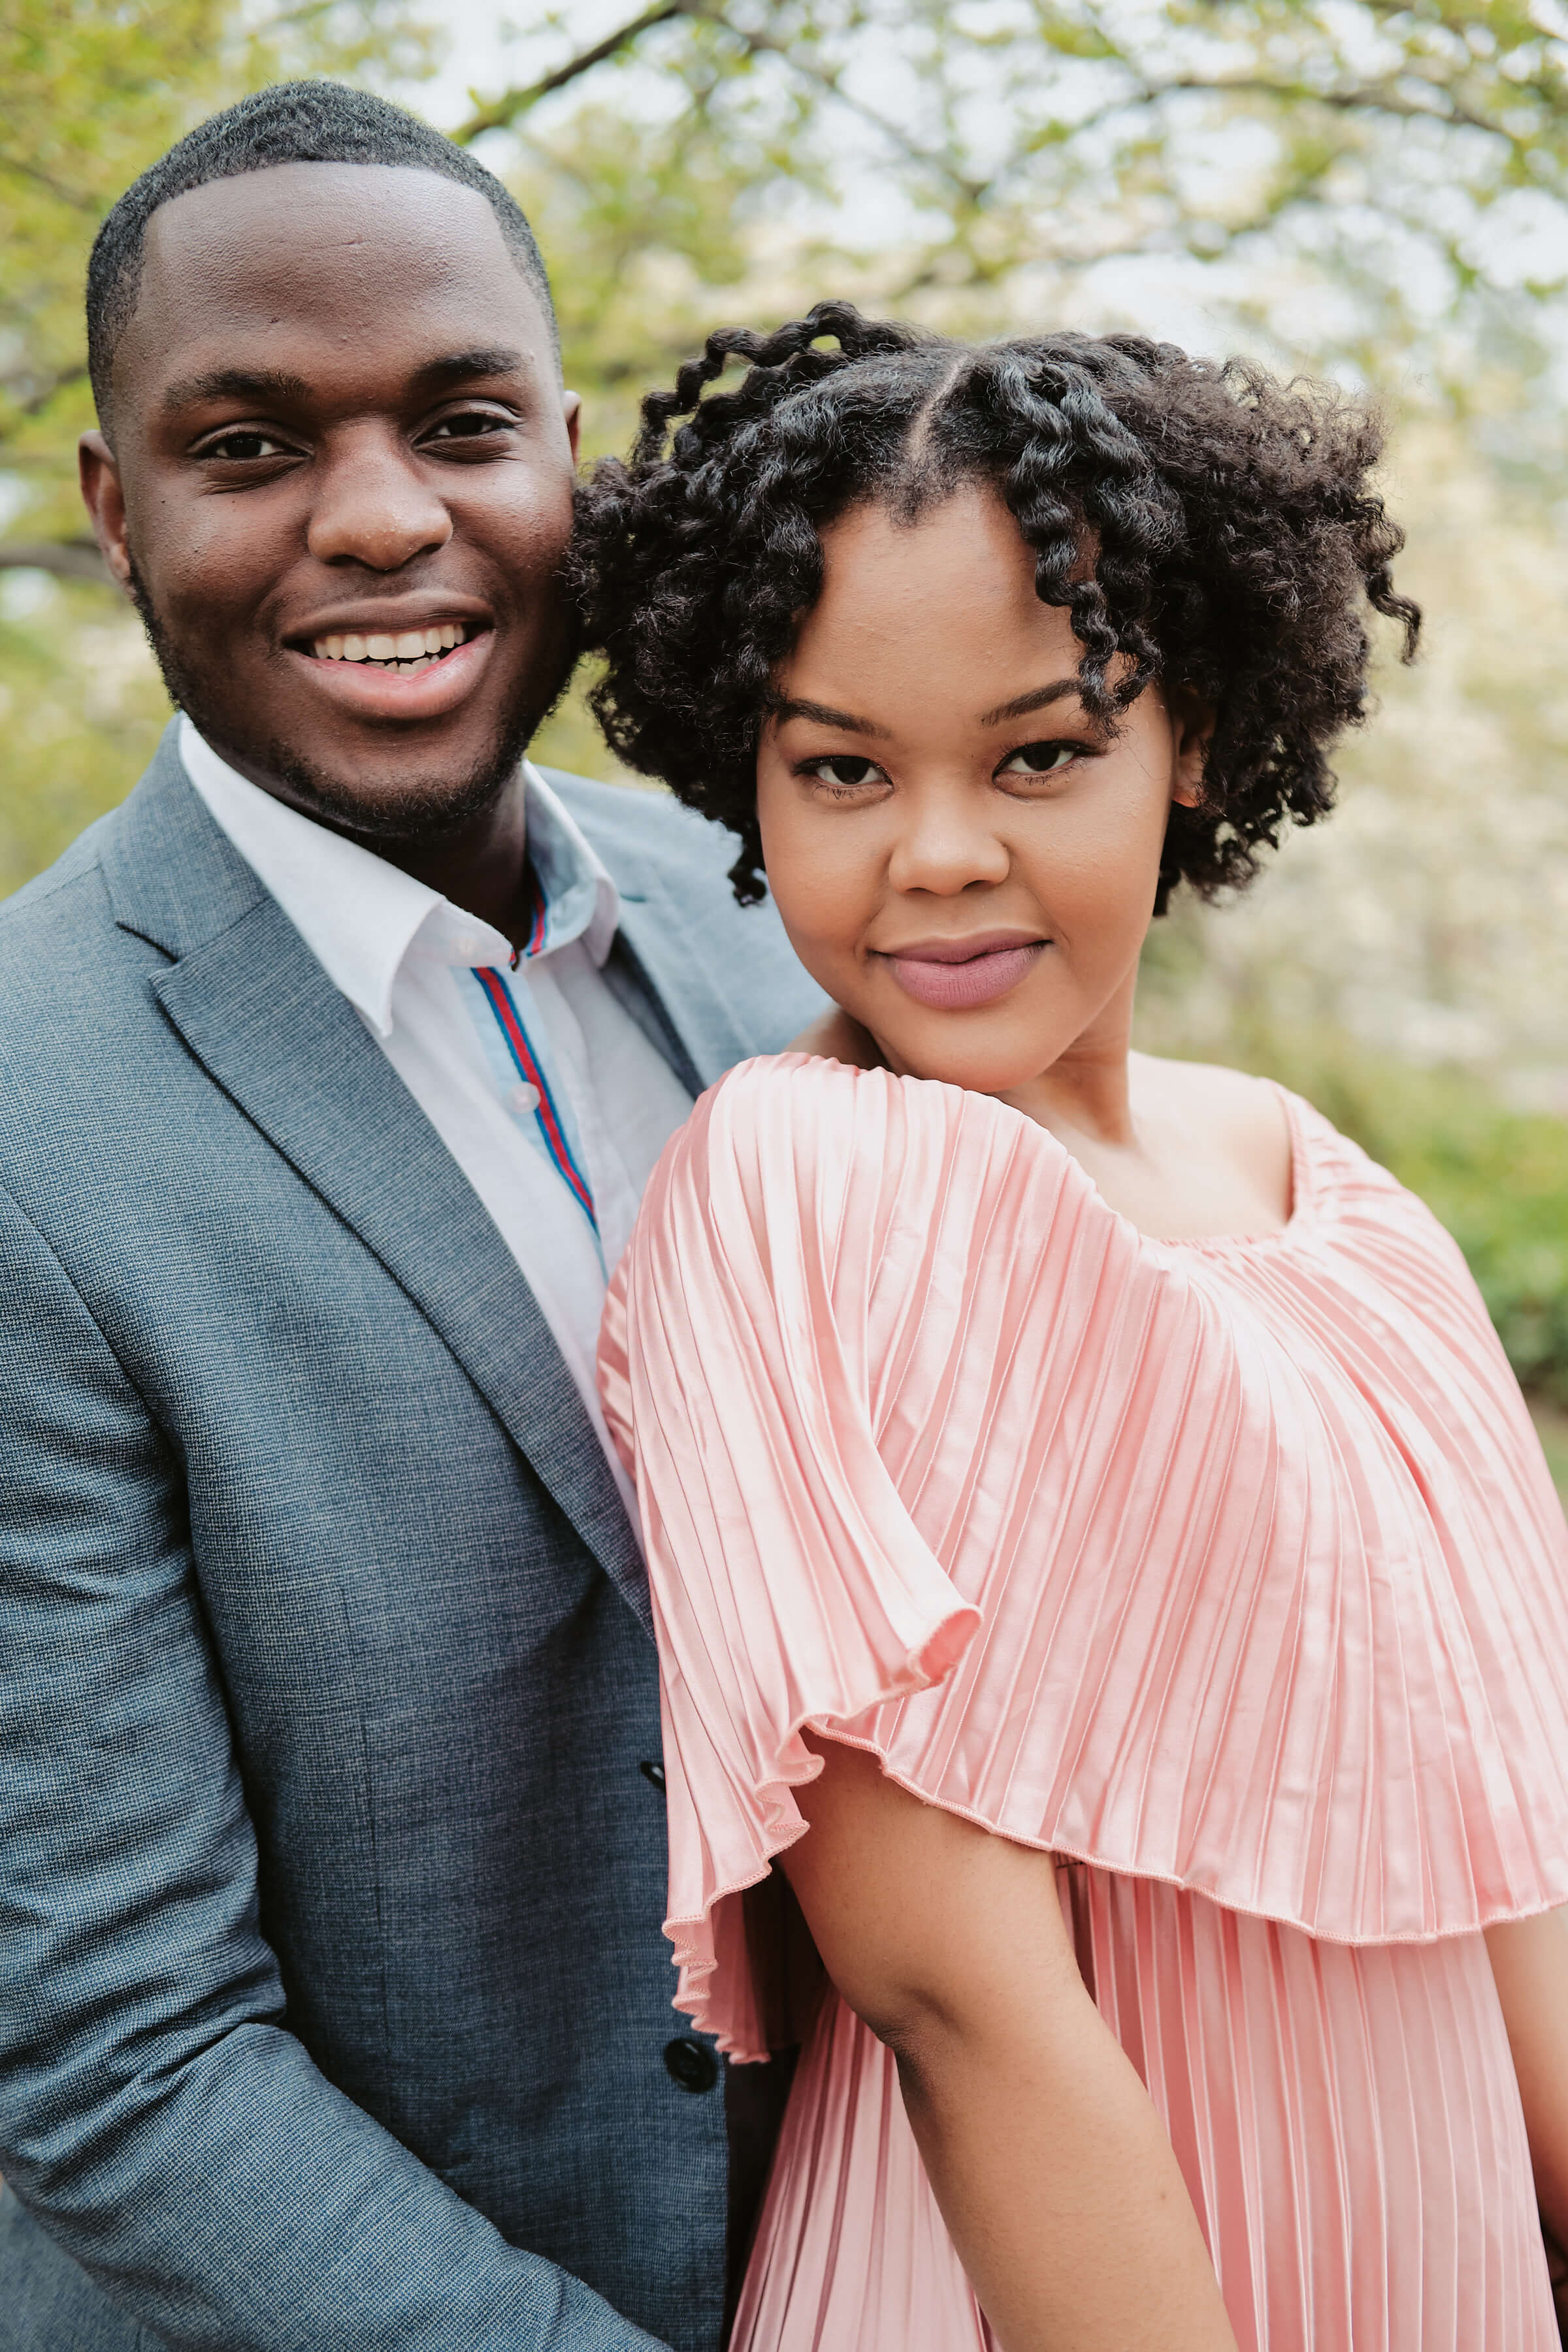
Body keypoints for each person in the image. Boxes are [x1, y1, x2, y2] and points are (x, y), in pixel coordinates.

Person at [579, 305, 1568, 2348]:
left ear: (1191, 732)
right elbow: (955, 1995)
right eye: (841, 768)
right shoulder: (793, 1185)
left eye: (1042, 752)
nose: (939, 856)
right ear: (743, 770)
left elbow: (1521, 1883)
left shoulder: (1349, 1211)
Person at [0, 84, 826, 2352]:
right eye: (248, 445)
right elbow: (118, 2063)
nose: (381, 522)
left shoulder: (778, 920)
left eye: (461, 424)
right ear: (113, 508)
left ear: (568, 454)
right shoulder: (22, 1121)